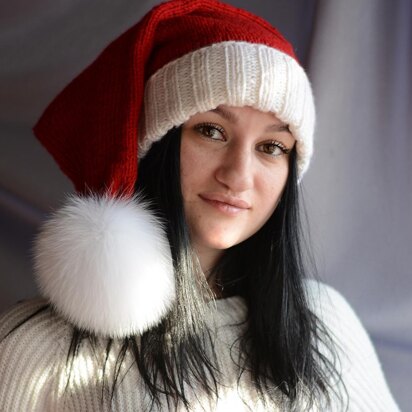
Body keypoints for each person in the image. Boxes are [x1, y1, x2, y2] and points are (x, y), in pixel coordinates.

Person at [0, 0, 400, 411]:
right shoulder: (34, 350)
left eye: (271, 147)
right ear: (156, 143)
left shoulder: (325, 325)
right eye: (211, 131)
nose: (238, 175)